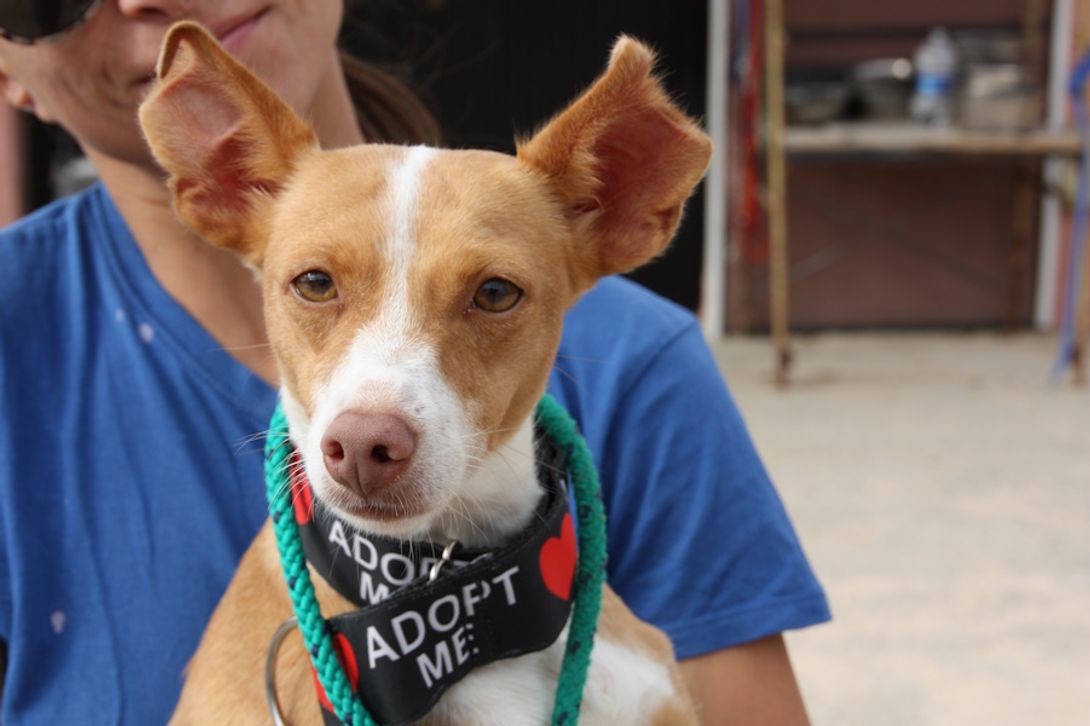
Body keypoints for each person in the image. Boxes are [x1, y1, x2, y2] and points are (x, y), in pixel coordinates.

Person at [0, 1, 830, 723]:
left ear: (613, 212)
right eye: (317, 284)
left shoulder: (641, 365)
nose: (377, 414)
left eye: (492, 294)